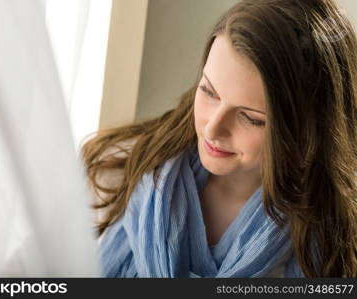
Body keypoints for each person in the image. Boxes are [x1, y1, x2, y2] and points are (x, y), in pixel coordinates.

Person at [81, 0, 357, 277]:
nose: (213, 129)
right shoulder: (115, 171)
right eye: (209, 92)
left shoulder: (333, 244)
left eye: (250, 118)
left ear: (309, 129)